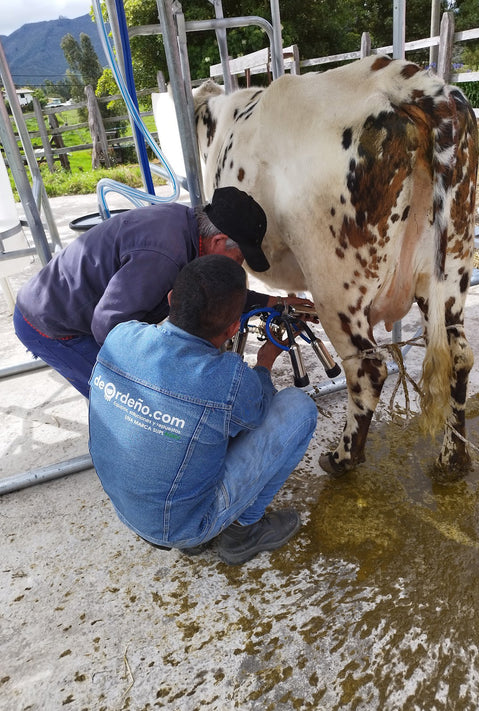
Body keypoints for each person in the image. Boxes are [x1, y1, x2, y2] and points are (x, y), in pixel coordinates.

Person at [88, 255, 318, 565]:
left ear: (171, 300)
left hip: (127, 508)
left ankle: (186, 529)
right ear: (235, 326)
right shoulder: (227, 381)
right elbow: (258, 411)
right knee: (298, 408)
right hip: (179, 525)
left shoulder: (121, 335)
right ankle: (242, 533)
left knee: (202, 423)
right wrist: (265, 360)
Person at [13, 186, 314, 397]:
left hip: (85, 308)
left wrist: (274, 301)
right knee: (121, 400)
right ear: (219, 241)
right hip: (52, 324)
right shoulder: (163, 256)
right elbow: (109, 328)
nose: (239, 267)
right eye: (239, 258)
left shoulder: (187, 227)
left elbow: (215, 287)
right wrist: (172, 371)